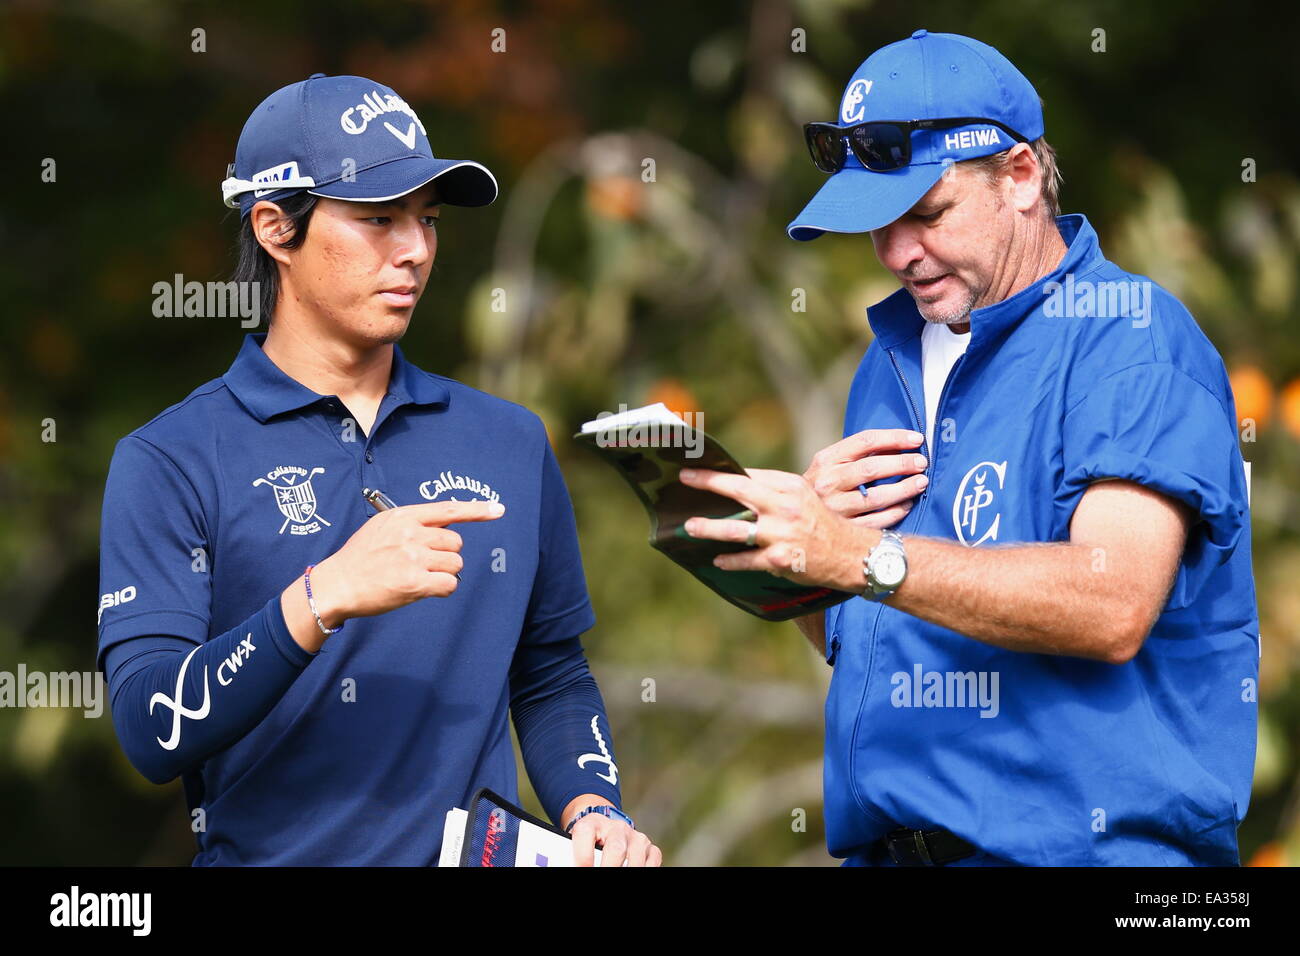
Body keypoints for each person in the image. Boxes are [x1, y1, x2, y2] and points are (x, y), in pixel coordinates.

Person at [678, 31, 1256, 865]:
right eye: (876, 224)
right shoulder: (889, 361)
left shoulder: (1129, 338)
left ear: (1019, 176)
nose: (896, 253)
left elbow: (1115, 602)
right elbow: (860, 636)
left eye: (926, 214)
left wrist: (862, 555)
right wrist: (798, 558)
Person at [97, 73, 660, 867]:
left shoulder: (508, 439)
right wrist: (320, 598)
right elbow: (151, 730)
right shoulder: (171, 459)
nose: (416, 250)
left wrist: (591, 805)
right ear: (272, 228)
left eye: (426, 221)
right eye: (377, 219)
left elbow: (550, 671)